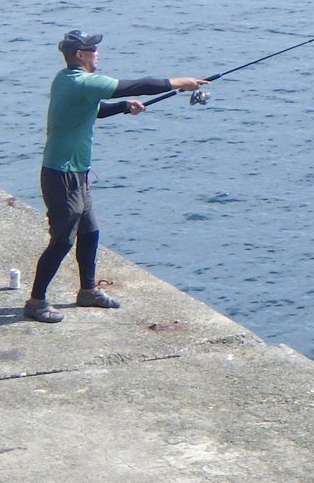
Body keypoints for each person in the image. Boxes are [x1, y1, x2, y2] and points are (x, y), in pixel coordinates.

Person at [24, 29, 209, 323]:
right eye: (92, 50)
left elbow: (94, 110)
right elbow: (136, 85)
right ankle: (36, 301)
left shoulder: (67, 81)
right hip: (62, 175)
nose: (97, 53)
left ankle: (88, 291)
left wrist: (123, 107)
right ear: (79, 55)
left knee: (90, 232)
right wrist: (179, 82)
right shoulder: (82, 81)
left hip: (78, 172)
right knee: (61, 241)